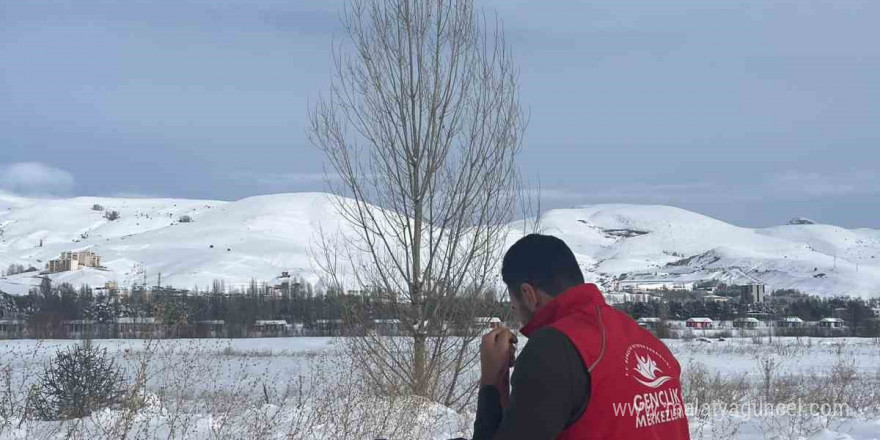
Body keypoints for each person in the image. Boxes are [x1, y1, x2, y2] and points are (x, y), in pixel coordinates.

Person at [472, 234, 690, 440]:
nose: (518, 317)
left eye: (514, 306)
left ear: (529, 295)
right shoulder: (652, 345)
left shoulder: (554, 348)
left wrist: (493, 379)